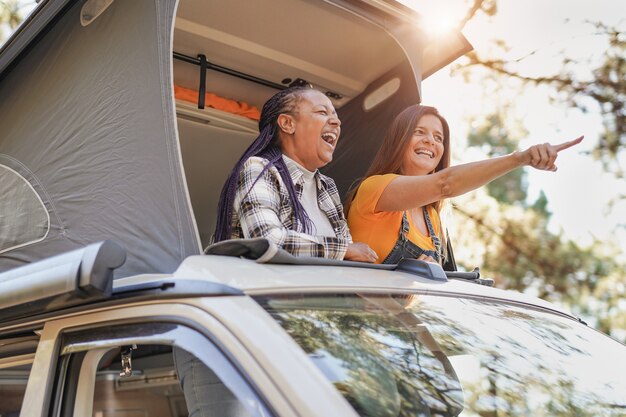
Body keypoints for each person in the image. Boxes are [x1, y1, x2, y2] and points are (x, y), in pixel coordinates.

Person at [345, 104, 582, 265]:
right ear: (399, 139)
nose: (430, 141)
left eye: (439, 138)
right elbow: (445, 184)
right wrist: (520, 158)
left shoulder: (433, 218)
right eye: (419, 132)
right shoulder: (374, 188)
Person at [213, 86, 377, 262]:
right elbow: (267, 240)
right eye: (322, 112)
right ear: (287, 124)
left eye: (336, 116)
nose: (337, 122)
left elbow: (349, 255)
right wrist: (344, 250)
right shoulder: (259, 168)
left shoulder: (327, 186)